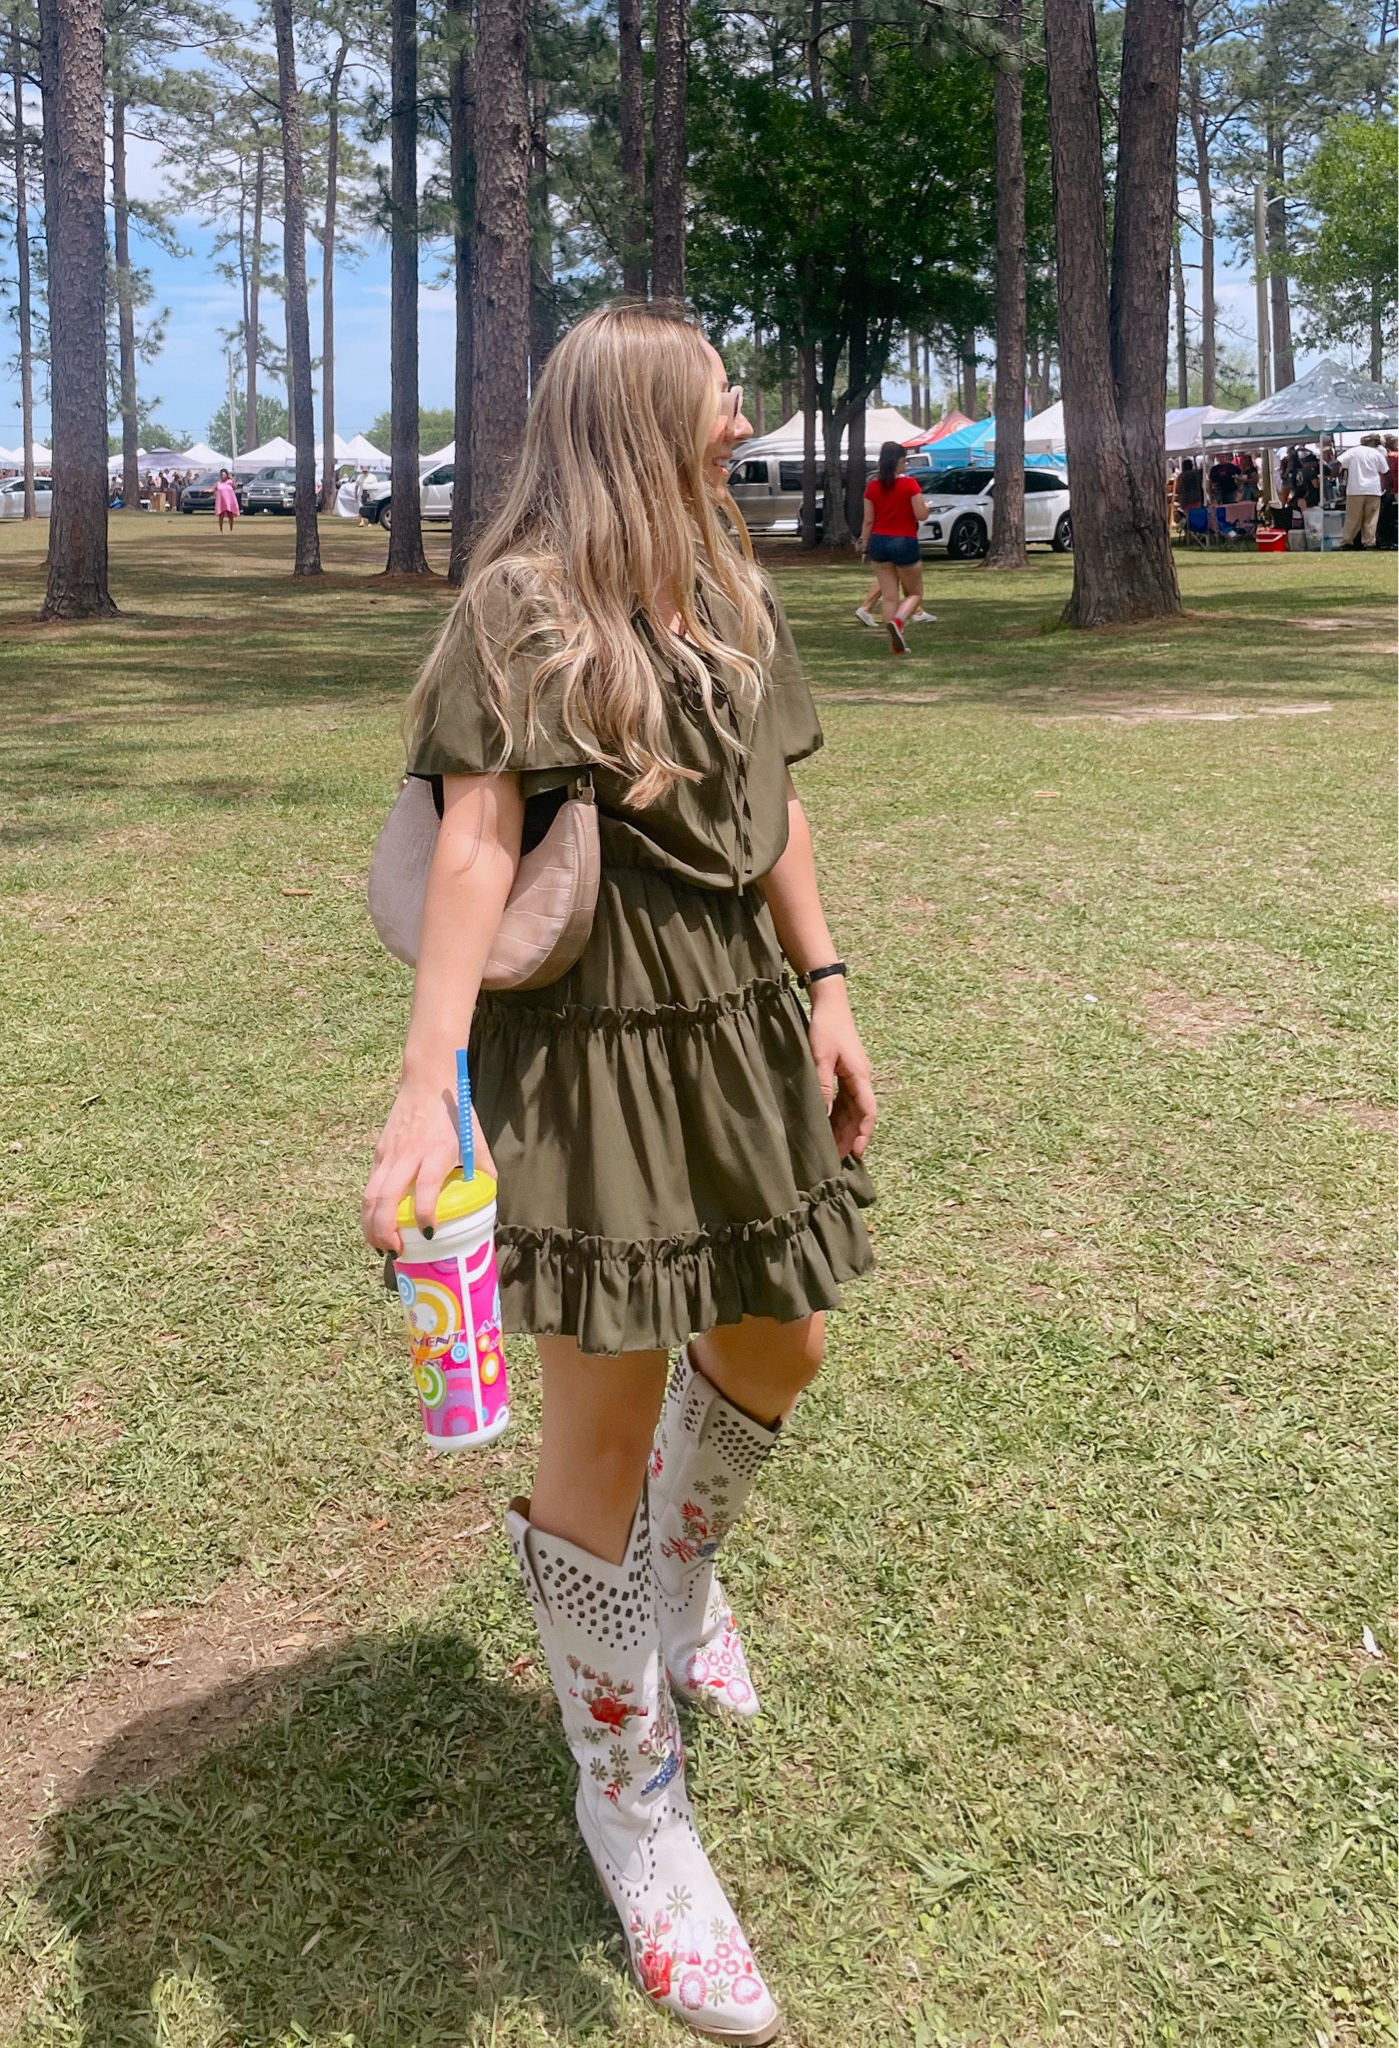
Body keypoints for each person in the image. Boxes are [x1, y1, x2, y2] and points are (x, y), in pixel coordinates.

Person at [362, 301, 876, 2043]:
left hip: (735, 1023)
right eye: (722, 386)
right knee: (595, 1419)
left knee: (781, 1341)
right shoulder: (518, 606)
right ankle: (627, 1799)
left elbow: (779, 803)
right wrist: (426, 1091)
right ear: (648, 412)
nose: (742, 411)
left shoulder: (727, 586)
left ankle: (682, 1565)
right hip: (586, 1050)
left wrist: (825, 986)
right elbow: (472, 845)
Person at [854, 441, 929, 654]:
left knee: (889, 596)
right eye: (904, 460)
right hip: (904, 541)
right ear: (899, 461)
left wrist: (864, 543)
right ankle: (899, 620)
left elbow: (868, 521)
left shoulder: (873, 486)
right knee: (915, 593)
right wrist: (927, 508)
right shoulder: (910, 484)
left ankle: (895, 644)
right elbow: (920, 515)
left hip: (879, 542)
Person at [1338, 433, 1386, 550]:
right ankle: (1369, 542)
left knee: (1353, 517)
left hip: (1355, 489)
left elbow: (1339, 462)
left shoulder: (1353, 451)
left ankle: (1347, 542)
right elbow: (1384, 470)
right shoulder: (1377, 453)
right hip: (1373, 489)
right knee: (1371, 518)